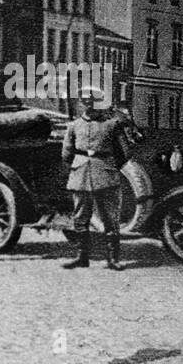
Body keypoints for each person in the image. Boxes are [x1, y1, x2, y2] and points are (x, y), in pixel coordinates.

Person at [61, 89, 128, 271]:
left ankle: (112, 259)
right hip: (80, 176)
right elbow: (66, 154)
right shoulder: (73, 126)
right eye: (86, 102)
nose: (90, 105)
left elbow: (124, 154)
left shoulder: (112, 125)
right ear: (82, 103)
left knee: (110, 219)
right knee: (80, 218)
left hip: (105, 176)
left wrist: (108, 166)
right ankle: (82, 257)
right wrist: (79, 164)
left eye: (93, 102)